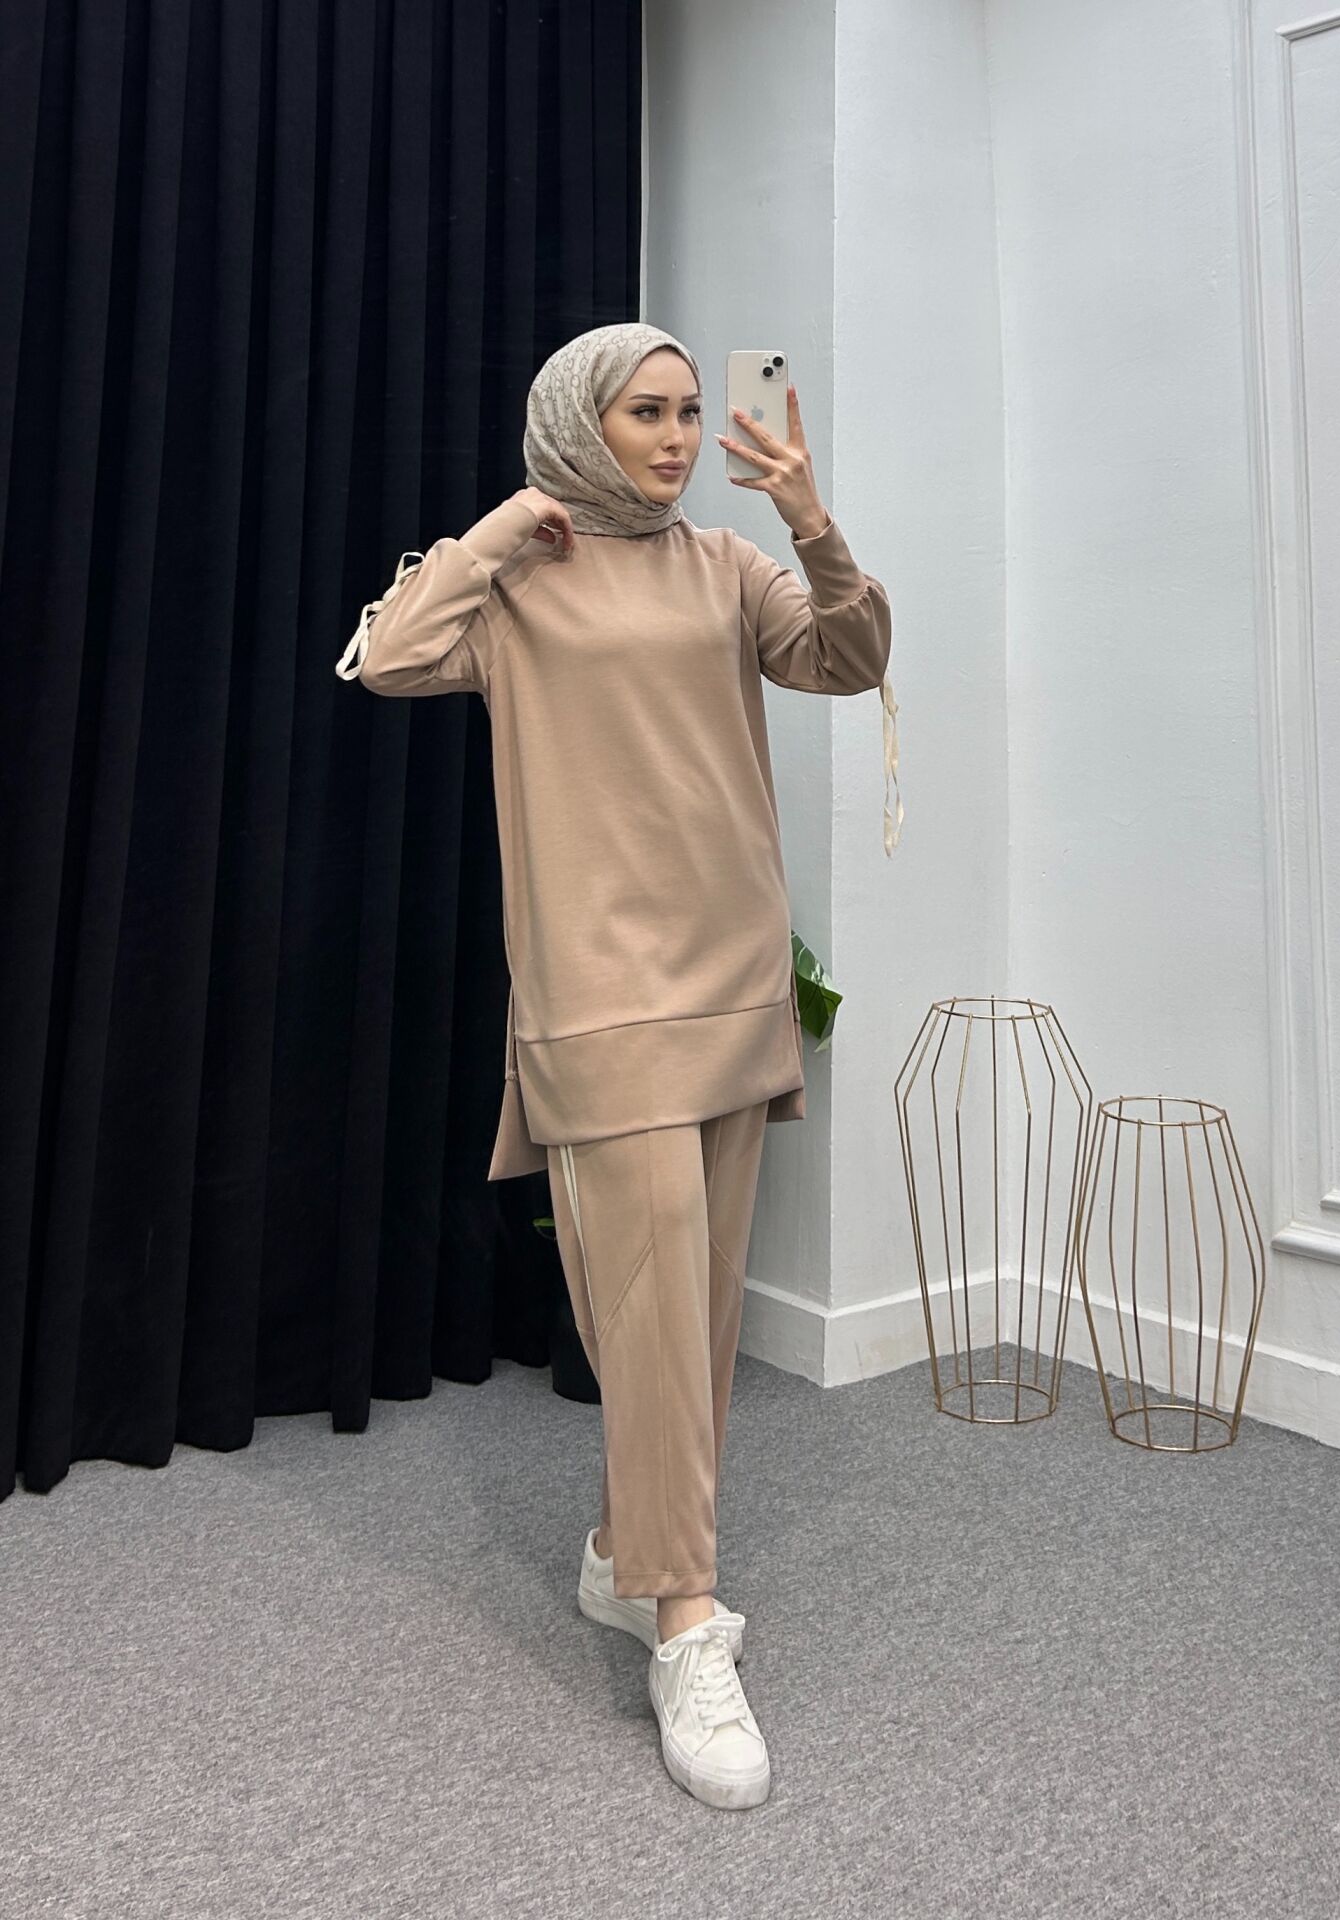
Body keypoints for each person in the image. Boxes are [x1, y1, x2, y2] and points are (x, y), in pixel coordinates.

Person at [335, 322, 897, 1810]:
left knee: (693, 1317)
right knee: (641, 1307)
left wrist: (809, 517)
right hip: (598, 994)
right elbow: (386, 659)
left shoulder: (725, 568)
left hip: (731, 975)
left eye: (691, 411)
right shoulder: (520, 582)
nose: (676, 435)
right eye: (646, 411)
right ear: (580, 422)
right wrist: (499, 532)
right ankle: (687, 1625)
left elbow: (848, 659)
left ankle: (622, 1558)